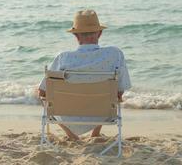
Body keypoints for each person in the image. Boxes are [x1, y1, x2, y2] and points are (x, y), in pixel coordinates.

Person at [38, 9, 131, 140]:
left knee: (48, 99)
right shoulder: (114, 54)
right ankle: (95, 132)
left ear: (76, 36)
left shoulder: (63, 58)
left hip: (67, 113)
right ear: (99, 33)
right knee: (109, 96)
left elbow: (41, 92)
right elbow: (120, 91)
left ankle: (71, 135)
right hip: (102, 113)